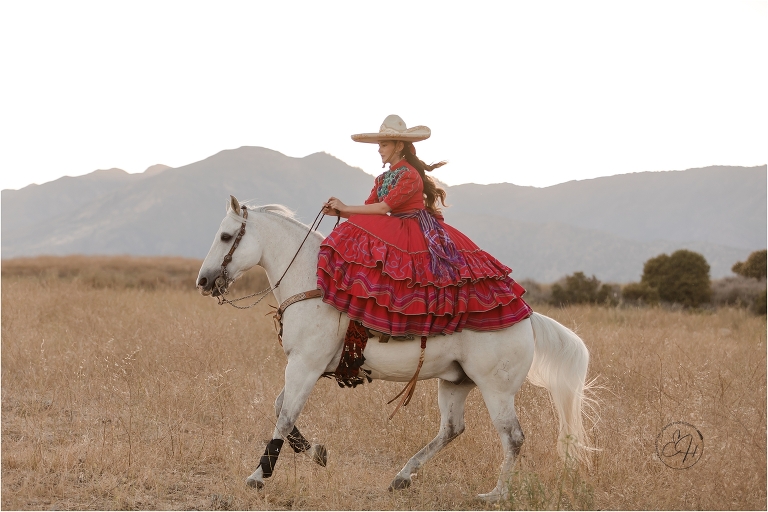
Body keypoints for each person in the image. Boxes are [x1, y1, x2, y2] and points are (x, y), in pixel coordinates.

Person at [318, 115, 532, 341]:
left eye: (384, 144)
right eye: (379, 145)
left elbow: (383, 209)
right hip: (396, 224)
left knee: (415, 275)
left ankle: (411, 328)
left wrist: (344, 208)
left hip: (414, 226)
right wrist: (340, 212)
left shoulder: (410, 175)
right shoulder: (382, 179)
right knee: (358, 228)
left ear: (399, 146)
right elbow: (370, 209)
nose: (379, 150)